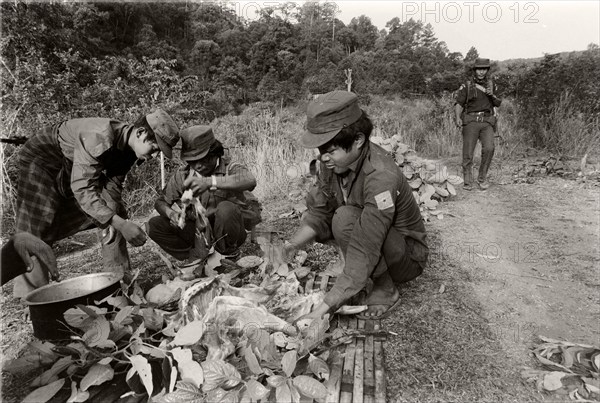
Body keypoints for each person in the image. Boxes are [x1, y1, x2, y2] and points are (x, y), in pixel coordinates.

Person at [284, 90, 429, 321]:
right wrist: (290, 247)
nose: (324, 158)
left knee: (344, 219)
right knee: (334, 213)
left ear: (358, 140)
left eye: (331, 151)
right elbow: (319, 212)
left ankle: (386, 289)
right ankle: (358, 276)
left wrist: (321, 310)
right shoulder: (330, 163)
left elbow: (366, 243)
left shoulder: (381, 176)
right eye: (322, 151)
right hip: (372, 237)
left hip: (405, 257)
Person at [12, 109, 179, 297]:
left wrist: (114, 220)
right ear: (140, 133)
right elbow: (82, 189)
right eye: (155, 148)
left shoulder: (129, 150)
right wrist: (119, 223)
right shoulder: (100, 137)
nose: (155, 156)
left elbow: (112, 186)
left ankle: (121, 286)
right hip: (42, 159)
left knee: (115, 214)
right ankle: (32, 296)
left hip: (73, 164)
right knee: (38, 225)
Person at [147, 125, 261, 261]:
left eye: (203, 159)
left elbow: (249, 180)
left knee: (226, 209)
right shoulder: (183, 175)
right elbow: (161, 202)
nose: (198, 166)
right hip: (197, 232)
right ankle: (194, 258)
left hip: (229, 231)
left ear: (215, 153)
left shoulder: (230, 167)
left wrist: (210, 182)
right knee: (154, 225)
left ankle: (228, 255)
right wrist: (171, 214)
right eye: (192, 162)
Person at [454, 57, 502, 191]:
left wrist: (492, 95)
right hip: (471, 121)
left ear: (487, 70)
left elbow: (498, 102)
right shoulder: (467, 85)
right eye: (479, 69)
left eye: (484, 69)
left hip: (487, 121)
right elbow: (459, 103)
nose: (481, 72)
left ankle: (482, 178)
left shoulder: (493, 85)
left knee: (489, 148)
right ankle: (467, 181)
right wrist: (457, 117)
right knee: (468, 152)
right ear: (475, 70)